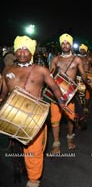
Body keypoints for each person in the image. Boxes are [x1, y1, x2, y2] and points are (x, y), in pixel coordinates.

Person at [0, 36, 66, 187]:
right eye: (19, 49)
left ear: (32, 52)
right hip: (14, 116)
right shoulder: (7, 70)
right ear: (15, 50)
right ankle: (22, 169)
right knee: (16, 149)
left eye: (26, 49)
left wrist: (61, 101)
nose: (22, 52)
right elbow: (3, 93)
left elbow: (55, 88)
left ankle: (34, 181)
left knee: (33, 152)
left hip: (34, 118)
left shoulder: (40, 70)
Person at [49, 33, 92, 154]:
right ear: (61, 45)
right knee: (55, 120)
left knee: (71, 119)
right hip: (56, 95)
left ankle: (70, 138)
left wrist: (89, 82)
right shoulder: (55, 59)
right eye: (63, 43)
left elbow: (83, 75)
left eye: (67, 43)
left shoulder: (77, 59)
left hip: (70, 95)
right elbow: (50, 75)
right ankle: (56, 144)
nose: (65, 45)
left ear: (71, 45)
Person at [78, 44, 92, 114]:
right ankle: (80, 106)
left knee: (87, 92)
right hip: (79, 77)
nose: (82, 50)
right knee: (79, 93)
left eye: (83, 49)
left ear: (85, 50)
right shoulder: (76, 58)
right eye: (81, 49)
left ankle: (86, 107)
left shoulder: (89, 58)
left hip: (88, 77)